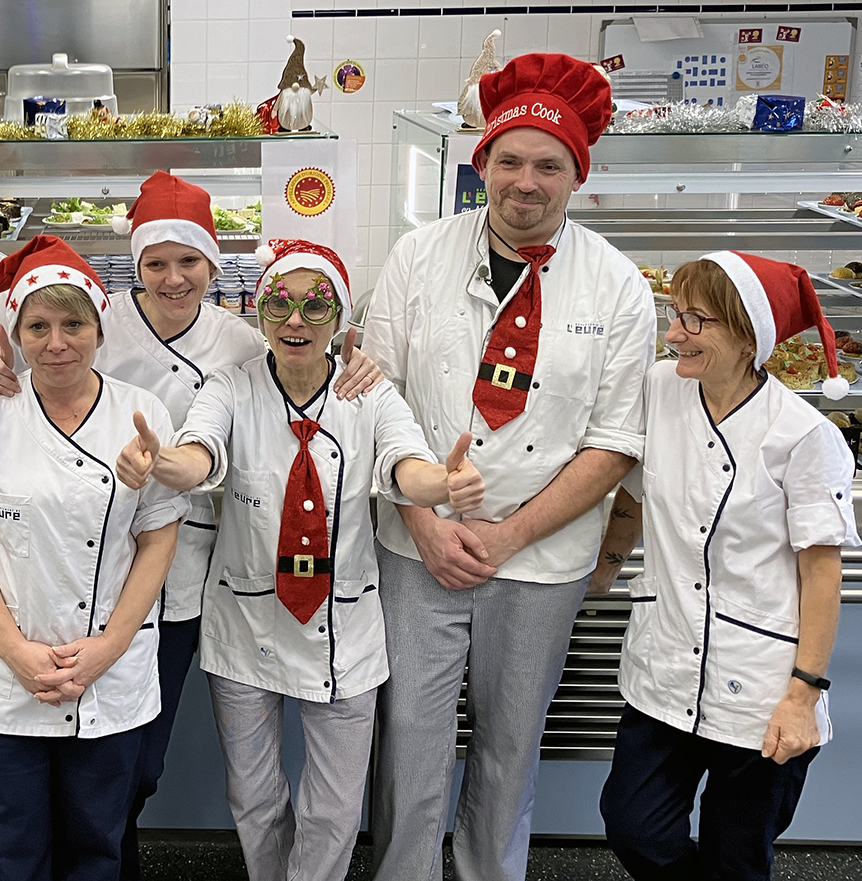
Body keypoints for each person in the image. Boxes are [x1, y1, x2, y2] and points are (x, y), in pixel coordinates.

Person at [0, 171, 383, 876]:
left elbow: (298, 362)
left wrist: (356, 360)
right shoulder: (98, 324)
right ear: (135, 265)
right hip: (83, 569)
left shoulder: (237, 343)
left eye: (188, 261)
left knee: (136, 761)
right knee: (89, 762)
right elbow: (38, 367)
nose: (172, 278)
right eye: (155, 262)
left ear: (214, 265)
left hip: (193, 573)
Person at [361, 52, 656, 881]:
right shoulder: (418, 257)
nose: (526, 182)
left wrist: (507, 536)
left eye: (548, 165)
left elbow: (614, 442)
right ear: (482, 163)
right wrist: (424, 521)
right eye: (510, 160)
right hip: (417, 546)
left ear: (577, 178)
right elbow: (373, 397)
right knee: (410, 743)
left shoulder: (619, 286)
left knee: (509, 744)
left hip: (543, 556)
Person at [118, 238, 485, 881]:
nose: (295, 321)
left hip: (343, 627)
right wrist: (164, 466)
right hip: (245, 621)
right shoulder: (230, 387)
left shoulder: (367, 395)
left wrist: (442, 485)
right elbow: (199, 450)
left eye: (315, 308)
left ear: (340, 320)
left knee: (334, 809)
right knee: (254, 798)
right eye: (279, 305)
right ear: (258, 312)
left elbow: (407, 464)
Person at [0, 235, 187, 881]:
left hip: (108, 670)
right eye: (37, 327)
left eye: (73, 324)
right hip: (2, 672)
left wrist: (108, 647)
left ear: (99, 328)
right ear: (16, 333)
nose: (56, 342)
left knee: (96, 843)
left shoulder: (139, 413)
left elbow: (157, 538)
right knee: (7, 847)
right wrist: (17, 651)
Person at [595, 253, 852, 881]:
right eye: (673, 315)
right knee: (633, 826)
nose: (674, 333)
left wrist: (802, 694)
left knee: (737, 855)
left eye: (695, 320)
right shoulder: (661, 390)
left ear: (748, 337)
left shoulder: (803, 434)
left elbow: (822, 575)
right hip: (664, 666)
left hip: (761, 684)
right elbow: (631, 490)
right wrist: (601, 570)